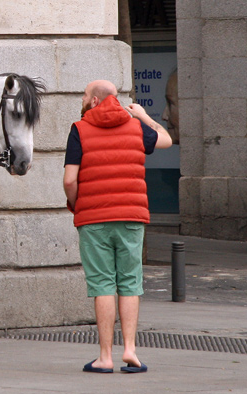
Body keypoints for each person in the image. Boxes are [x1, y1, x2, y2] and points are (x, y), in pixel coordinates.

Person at [63, 80, 173, 374]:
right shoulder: (136, 128)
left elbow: (69, 180)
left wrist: (75, 203)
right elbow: (166, 139)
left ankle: (105, 357)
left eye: (85, 95)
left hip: (93, 219)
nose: (83, 99)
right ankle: (131, 351)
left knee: (102, 285)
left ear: (96, 100)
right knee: (129, 283)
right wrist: (143, 116)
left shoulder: (79, 129)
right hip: (131, 217)